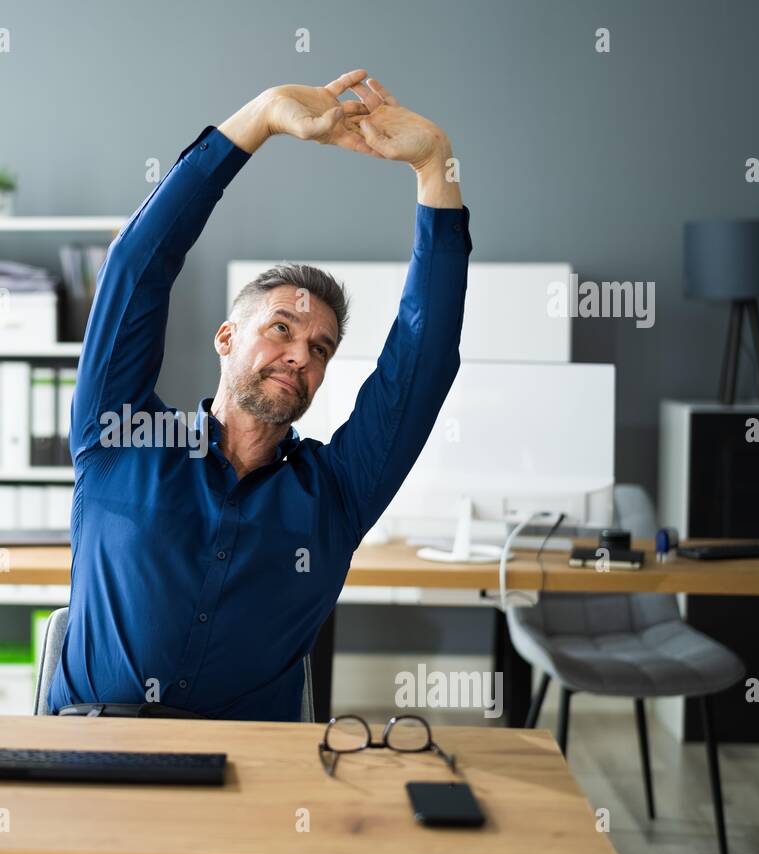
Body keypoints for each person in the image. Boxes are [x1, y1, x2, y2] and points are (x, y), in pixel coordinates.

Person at [47, 69, 472, 721]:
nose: (301, 354)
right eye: (282, 328)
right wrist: (261, 118)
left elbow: (423, 359)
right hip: (90, 762)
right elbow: (136, 266)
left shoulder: (337, 494)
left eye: (321, 348)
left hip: (256, 783)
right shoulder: (119, 437)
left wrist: (435, 167)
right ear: (225, 338)